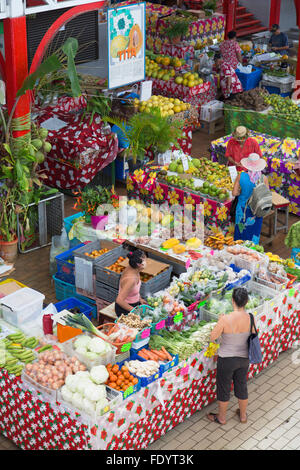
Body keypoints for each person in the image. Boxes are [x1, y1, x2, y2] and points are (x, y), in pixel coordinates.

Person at [207, 287, 257, 425]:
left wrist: (220, 321)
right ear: (246, 301)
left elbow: (213, 337)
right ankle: (242, 416)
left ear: (232, 301)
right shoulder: (251, 318)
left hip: (227, 359)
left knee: (224, 387)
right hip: (244, 358)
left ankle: (222, 417)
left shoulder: (225, 319)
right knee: (241, 385)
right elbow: (253, 335)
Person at [232, 153, 269, 244]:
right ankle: (252, 251)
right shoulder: (263, 178)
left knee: (240, 234)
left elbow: (234, 193)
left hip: (242, 209)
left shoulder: (241, 176)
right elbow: (266, 196)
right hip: (256, 211)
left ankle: (237, 251)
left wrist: (241, 192)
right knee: (253, 235)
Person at [115, 248, 147, 317]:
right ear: (139, 264)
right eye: (145, 260)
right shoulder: (131, 279)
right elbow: (119, 300)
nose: (146, 262)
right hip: (125, 310)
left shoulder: (134, 269)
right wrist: (134, 311)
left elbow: (133, 289)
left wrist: (140, 299)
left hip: (134, 304)